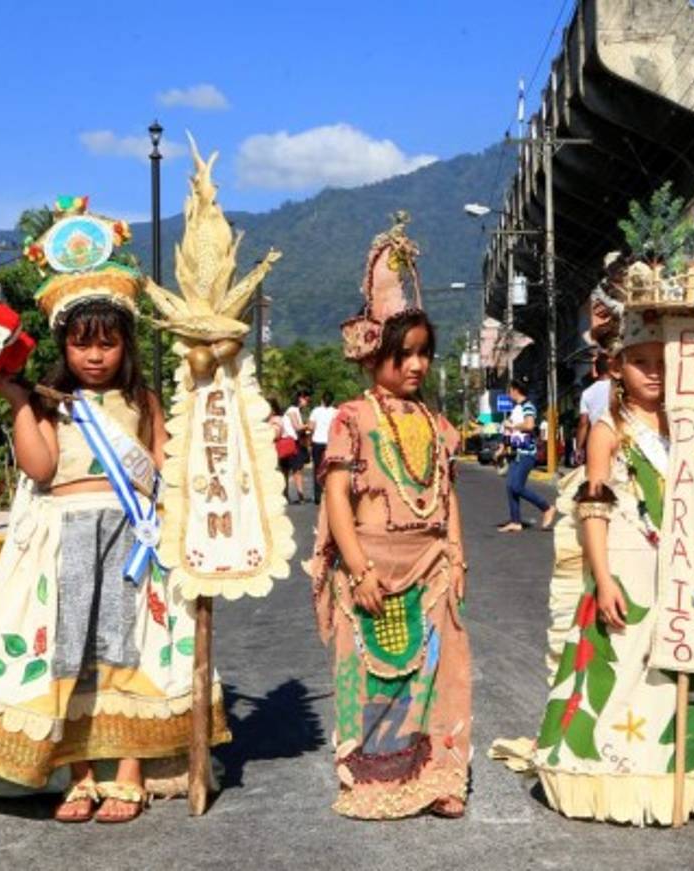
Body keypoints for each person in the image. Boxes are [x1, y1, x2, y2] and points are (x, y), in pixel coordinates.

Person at [0, 205, 226, 822]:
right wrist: (14, 397)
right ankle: (79, 774)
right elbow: (40, 469)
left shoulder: (142, 399)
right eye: (83, 344)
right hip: (65, 538)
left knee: (127, 648)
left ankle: (129, 769)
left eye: (108, 343)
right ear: (63, 345)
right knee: (71, 655)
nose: (96, 356)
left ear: (126, 344)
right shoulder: (52, 404)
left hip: (132, 537)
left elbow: (165, 469)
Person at [493, 264, 694, 826]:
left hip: (682, 565)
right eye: (641, 363)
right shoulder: (611, 429)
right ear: (618, 367)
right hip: (628, 567)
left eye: (664, 364)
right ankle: (614, 768)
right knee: (623, 667)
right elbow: (593, 507)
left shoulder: (688, 427)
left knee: (680, 663)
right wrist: (603, 576)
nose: (654, 375)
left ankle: (680, 770)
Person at [309, 214, 470, 819]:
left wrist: (457, 555)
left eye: (424, 354)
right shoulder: (353, 418)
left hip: (430, 564)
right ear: (374, 354)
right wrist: (356, 568)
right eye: (404, 354)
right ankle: (375, 779)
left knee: (444, 670)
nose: (416, 366)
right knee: (368, 676)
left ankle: (441, 775)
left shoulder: (435, 423)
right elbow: (336, 498)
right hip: (373, 564)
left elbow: (446, 495)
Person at [497, 376, 555, 532]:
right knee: (510, 487)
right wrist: (502, 448)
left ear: (516, 390)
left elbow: (529, 425)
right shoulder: (515, 408)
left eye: (510, 390)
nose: (509, 394)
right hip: (516, 452)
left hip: (526, 453)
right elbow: (509, 431)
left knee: (516, 486)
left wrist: (513, 425)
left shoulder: (528, 406)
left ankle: (546, 507)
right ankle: (515, 521)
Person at [573, 352, 610, 465]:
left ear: (596, 370)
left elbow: (583, 423)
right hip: (621, 438)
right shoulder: (620, 386)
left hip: (597, 441)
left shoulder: (587, 393)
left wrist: (578, 449)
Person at [281, 388, 312, 503]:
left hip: (287, 442)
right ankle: (300, 496)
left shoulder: (293, 410)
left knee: (287, 471)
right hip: (291, 443)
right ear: (301, 398)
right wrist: (308, 425)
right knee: (296, 471)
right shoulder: (292, 410)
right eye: (306, 400)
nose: (307, 403)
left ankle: (286, 495)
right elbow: (297, 427)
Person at [308, 390, 337, 504]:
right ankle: (330, 493)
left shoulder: (316, 411)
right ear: (332, 401)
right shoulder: (336, 412)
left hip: (317, 442)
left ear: (322, 400)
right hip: (330, 442)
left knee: (317, 468)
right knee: (329, 468)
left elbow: (310, 427)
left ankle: (317, 496)